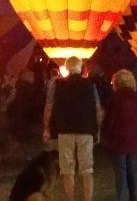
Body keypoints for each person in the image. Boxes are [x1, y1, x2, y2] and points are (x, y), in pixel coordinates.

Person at [42, 56, 103, 201]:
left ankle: (71, 199)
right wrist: (98, 128)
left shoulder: (57, 85)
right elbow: (98, 109)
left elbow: (48, 108)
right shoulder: (90, 85)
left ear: (67, 68)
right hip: (85, 129)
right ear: (81, 67)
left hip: (65, 130)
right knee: (86, 169)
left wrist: (46, 128)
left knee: (67, 169)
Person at [104, 69, 137, 201]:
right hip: (133, 138)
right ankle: (135, 197)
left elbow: (108, 120)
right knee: (132, 169)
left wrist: (105, 130)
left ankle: (121, 197)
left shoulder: (115, 99)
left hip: (118, 139)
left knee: (121, 171)